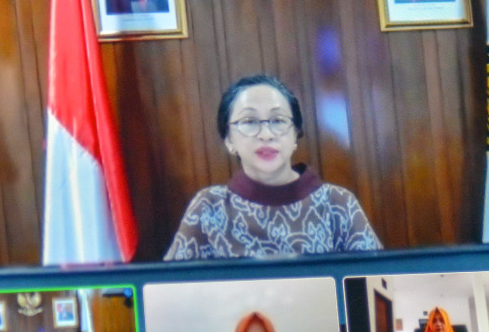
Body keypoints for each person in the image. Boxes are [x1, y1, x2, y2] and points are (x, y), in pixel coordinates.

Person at [164, 74, 383, 259]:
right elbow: (172, 289)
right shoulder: (209, 207)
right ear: (229, 140)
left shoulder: (338, 204)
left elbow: (377, 282)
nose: (266, 135)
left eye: (278, 121)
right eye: (249, 122)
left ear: (295, 134)